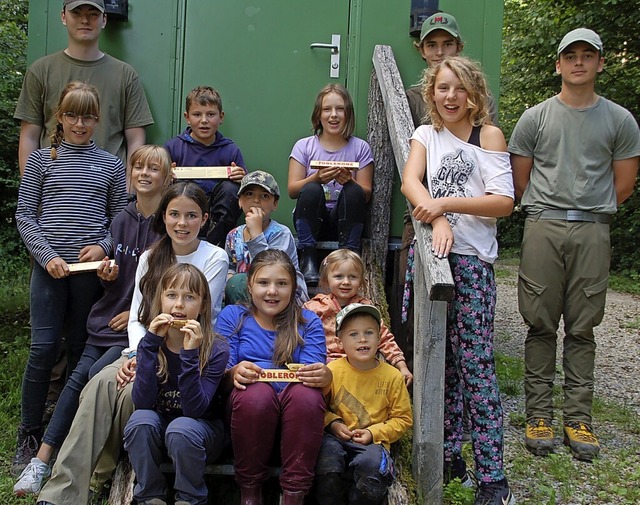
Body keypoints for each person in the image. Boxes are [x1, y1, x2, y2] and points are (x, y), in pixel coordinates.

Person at [36, 181, 228, 505]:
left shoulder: (215, 257)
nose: (182, 223)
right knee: (99, 384)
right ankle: (61, 494)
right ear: (163, 217)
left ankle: (104, 473)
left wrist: (152, 354)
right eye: (174, 215)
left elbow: (201, 316)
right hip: (146, 348)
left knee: (129, 400)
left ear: (204, 219)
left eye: (191, 215)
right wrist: (140, 355)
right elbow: (139, 316)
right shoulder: (152, 255)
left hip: (185, 351)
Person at [508, 28, 640, 462]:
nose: (579, 62)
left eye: (588, 55)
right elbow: (521, 179)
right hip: (543, 224)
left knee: (583, 326)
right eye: (571, 55)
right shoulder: (536, 117)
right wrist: (550, 210)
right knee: (540, 321)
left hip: (593, 229)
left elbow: (623, 185)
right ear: (558, 64)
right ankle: (539, 415)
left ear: (601, 63)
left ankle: (578, 418)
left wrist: (588, 210)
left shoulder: (620, 120)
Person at [13, 145, 171, 496]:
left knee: (83, 379)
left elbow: (169, 288)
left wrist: (134, 313)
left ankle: (53, 461)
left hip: (132, 328)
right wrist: (107, 275)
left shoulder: (169, 224)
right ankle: (44, 461)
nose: (144, 174)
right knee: (78, 377)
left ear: (168, 176)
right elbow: (112, 272)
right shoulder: (121, 219)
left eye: (153, 169)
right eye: (139, 167)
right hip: (105, 319)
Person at [401, 56, 515, 505]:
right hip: (431, 258)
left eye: (460, 89)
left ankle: (493, 478)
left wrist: (446, 207)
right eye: (443, 88)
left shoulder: (486, 135)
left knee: (476, 367)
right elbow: (411, 182)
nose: (451, 97)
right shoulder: (425, 135)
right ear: (432, 93)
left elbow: (503, 201)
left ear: (474, 94)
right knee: (438, 361)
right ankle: (449, 458)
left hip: (470, 264)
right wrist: (436, 217)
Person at [13, 81, 128, 476]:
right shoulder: (43, 161)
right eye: (73, 115)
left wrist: (102, 247)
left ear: (98, 120)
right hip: (49, 271)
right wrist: (46, 257)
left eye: (89, 116)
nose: (80, 123)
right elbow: (25, 215)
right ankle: (29, 434)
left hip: (87, 274)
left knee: (81, 347)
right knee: (44, 348)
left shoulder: (111, 164)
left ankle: (69, 434)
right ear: (59, 117)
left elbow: (120, 219)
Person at [216, 249, 330, 505]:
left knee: (307, 395)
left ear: (293, 287)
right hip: (246, 416)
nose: (272, 291)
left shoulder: (308, 321)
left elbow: (312, 373)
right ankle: (250, 493)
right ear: (250, 285)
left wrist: (323, 377)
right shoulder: (233, 317)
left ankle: (294, 495)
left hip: (297, 421)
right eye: (264, 283)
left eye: (281, 283)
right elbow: (219, 378)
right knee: (256, 394)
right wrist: (233, 373)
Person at [124, 264, 229, 505]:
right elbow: (142, 402)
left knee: (181, 427)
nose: (179, 304)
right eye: (171, 295)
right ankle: (150, 496)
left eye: (189, 297)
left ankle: (190, 498)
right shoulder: (150, 343)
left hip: (201, 432)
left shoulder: (216, 348)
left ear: (203, 305)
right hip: (160, 429)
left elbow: (195, 411)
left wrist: (189, 355)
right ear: (160, 301)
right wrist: (149, 345)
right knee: (140, 421)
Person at [14, 0, 153, 173]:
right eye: (76, 13)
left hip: (107, 190)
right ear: (64, 17)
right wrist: (32, 191)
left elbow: (136, 140)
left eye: (93, 14)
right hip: (53, 191)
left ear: (104, 20)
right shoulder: (40, 71)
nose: (85, 20)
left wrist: (127, 193)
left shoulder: (126, 75)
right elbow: (29, 137)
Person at [314, 303, 413, 505]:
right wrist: (333, 424)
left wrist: (373, 433)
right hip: (336, 437)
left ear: (379, 338)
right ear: (339, 341)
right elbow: (319, 409)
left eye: (369, 332)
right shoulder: (332, 371)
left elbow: (403, 420)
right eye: (353, 334)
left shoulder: (392, 377)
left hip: (373, 443)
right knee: (326, 462)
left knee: (372, 471)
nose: (362, 339)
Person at [287, 84, 374, 286]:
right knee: (310, 189)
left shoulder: (360, 147)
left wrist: (348, 181)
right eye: (327, 109)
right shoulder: (304, 146)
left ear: (348, 114)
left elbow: (366, 194)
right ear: (318, 114)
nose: (333, 115)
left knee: (354, 191)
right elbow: (292, 190)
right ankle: (308, 258)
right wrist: (316, 178)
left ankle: (350, 256)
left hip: (344, 222)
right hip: (312, 221)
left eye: (340, 109)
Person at [304, 249, 413, 386]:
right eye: (338, 276)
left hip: (358, 366)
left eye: (353, 277)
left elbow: (384, 337)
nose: (346, 282)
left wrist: (401, 366)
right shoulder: (314, 307)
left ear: (361, 282)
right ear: (326, 280)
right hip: (326, 366)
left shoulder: (365, 308)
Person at [165, 86, 246, 247]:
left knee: (231, 189)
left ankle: (213, 245)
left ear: (221, 117)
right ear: (187, 118)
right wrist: (166, 177)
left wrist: (242, 179)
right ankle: (179, 243)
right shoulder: (173, 147)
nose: (204, 120)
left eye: (210, 114)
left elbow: (247, 192)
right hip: (185, 209)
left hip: (215, 218)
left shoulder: (230, 150)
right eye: (197, 114)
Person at [225, 170, 308, 304]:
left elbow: (273, 271)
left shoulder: (281, 233)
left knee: (242, 282)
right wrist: (229, 277)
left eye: (264, 196)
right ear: (240, 201)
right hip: (248, 293)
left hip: (284, 295)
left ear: (275, 203)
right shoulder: (233, 235)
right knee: (236, 282)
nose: (256, 200)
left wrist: (256, 234)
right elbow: (230, 265)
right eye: (249, 194)